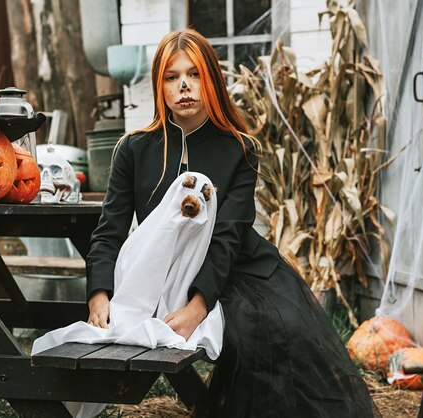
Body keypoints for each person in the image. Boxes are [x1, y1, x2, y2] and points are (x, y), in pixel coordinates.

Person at [86, 28, 379, 418]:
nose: (184, 87)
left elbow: (228, 235)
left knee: (276, 329)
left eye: (194, 75)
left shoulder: (239, 148)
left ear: (211, 79)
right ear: (160, 85)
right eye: (171, 77)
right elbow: (110, 229)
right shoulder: (133, 150)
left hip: (238, 269)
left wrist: (197, 308)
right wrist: (99, 292)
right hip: (166, 275)